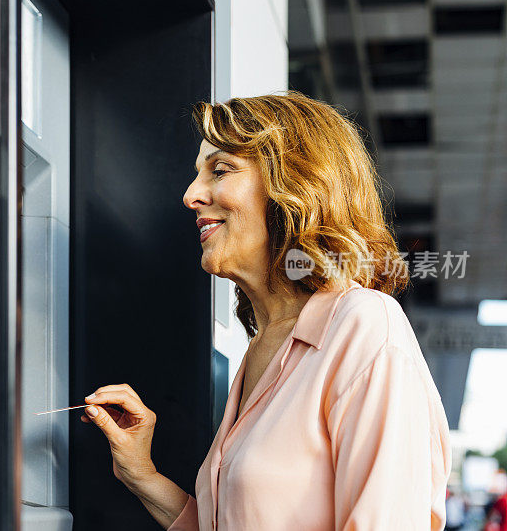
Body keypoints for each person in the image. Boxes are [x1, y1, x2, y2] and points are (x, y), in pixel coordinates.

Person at [80, 91, 453, 530]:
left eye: (220, 170)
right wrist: (140, 474)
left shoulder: (365, 326)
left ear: (295, 186)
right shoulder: (262, 347)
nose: (190, 195)